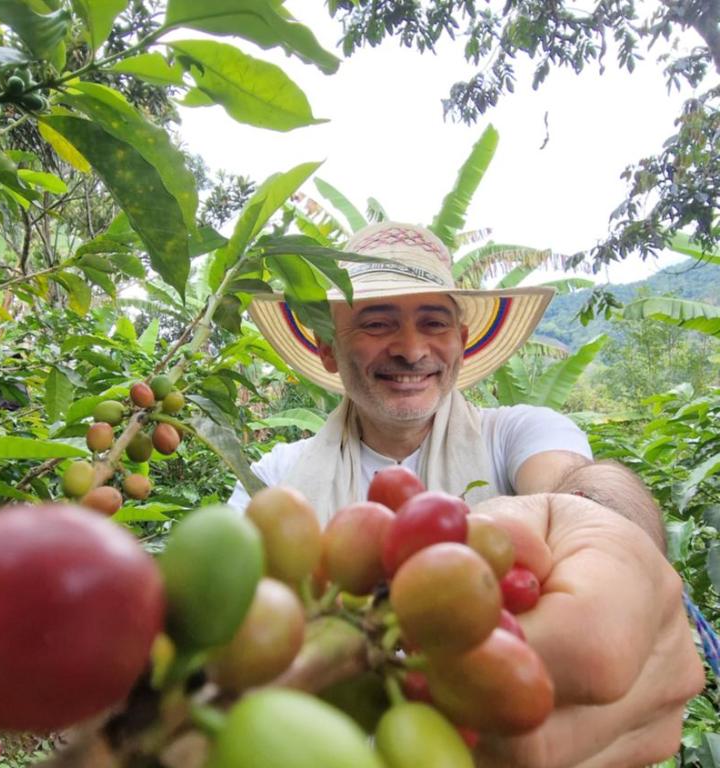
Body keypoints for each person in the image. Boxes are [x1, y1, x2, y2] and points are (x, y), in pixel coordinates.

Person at [230, 221, 704, 767]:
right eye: (377, 323)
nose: (411, 350)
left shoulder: (517, 434)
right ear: (327, 349)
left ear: (461, 340)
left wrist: (602, 531)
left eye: (434, 322)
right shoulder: (273, 479)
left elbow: (580, 481)